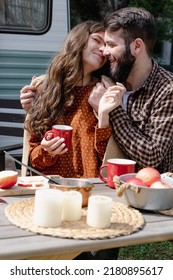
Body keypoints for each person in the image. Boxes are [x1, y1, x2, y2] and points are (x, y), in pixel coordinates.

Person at [20, 20, 126, 260]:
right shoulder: (45, 89)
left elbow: (109, 156)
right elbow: (33, 159)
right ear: (78, 41)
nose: (102, 49)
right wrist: (48, 151)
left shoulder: (104, 91)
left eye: (106, 45)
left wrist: (103, 115)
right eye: (97, 41)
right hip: (54, 200)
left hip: (94, 198)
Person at [89, 7, 173, 173]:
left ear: (137, 46)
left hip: (148, 194)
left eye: (111, 44)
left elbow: (151, 156)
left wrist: (114, 110)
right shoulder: (108, 76)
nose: (104, 51)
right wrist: (37, 94)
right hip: (103, 188)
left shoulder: (167, 89)